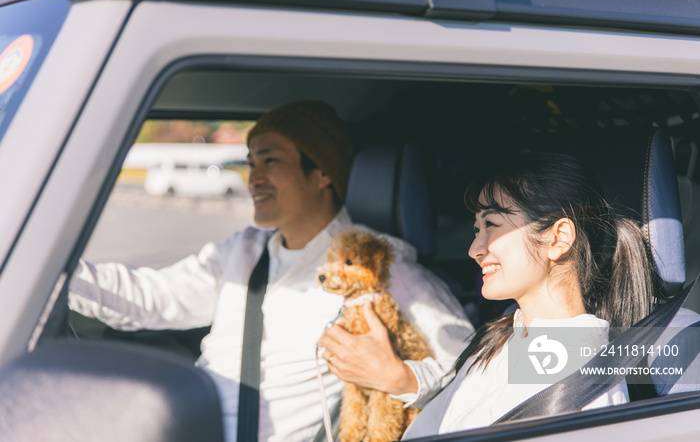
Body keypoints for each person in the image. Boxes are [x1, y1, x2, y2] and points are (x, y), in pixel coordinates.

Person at [68, 100, 474, 442]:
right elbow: (150, 298)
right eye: (250, 162)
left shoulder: (375, 264)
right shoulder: (242, 249)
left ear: (323, 173)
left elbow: (466, 362)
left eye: (270, 160)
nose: (253, 178)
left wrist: (400, 377)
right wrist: (60, 278)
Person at [402, 152, 656, 439]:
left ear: (558, 239)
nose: (474, 249)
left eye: (492, 225)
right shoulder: (502, 338)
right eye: (477, 229)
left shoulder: (579, 382)